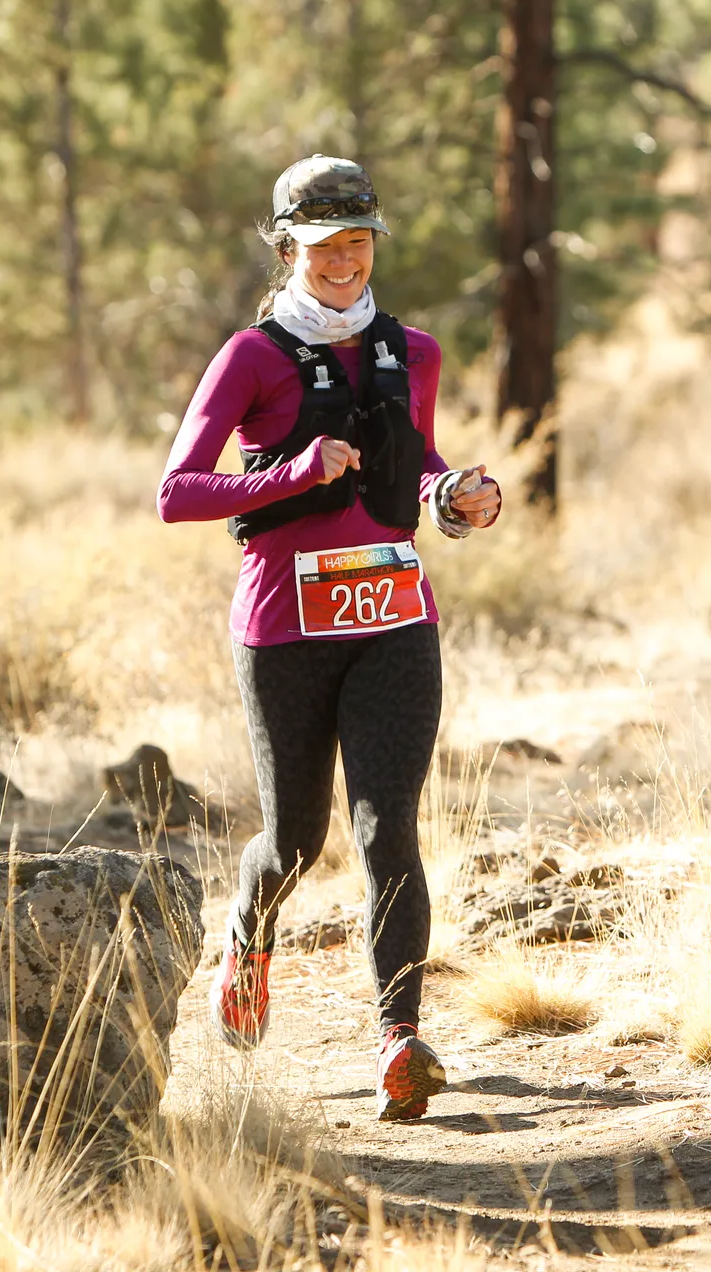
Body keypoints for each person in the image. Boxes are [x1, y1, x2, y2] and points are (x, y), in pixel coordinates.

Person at [157, 155, 502, 1122]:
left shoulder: (413, 351)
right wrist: (292, 472)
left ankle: (401, 1039)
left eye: (359, 243)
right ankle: (249, 927)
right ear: (287, 249)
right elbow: (178, 493)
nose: (345, 261)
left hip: (394, 619)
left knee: (388, 824)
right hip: (283, 627)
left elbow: (415, 462)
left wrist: (456, 498)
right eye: (323, 246)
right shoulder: (250, 358)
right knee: (296, 838)